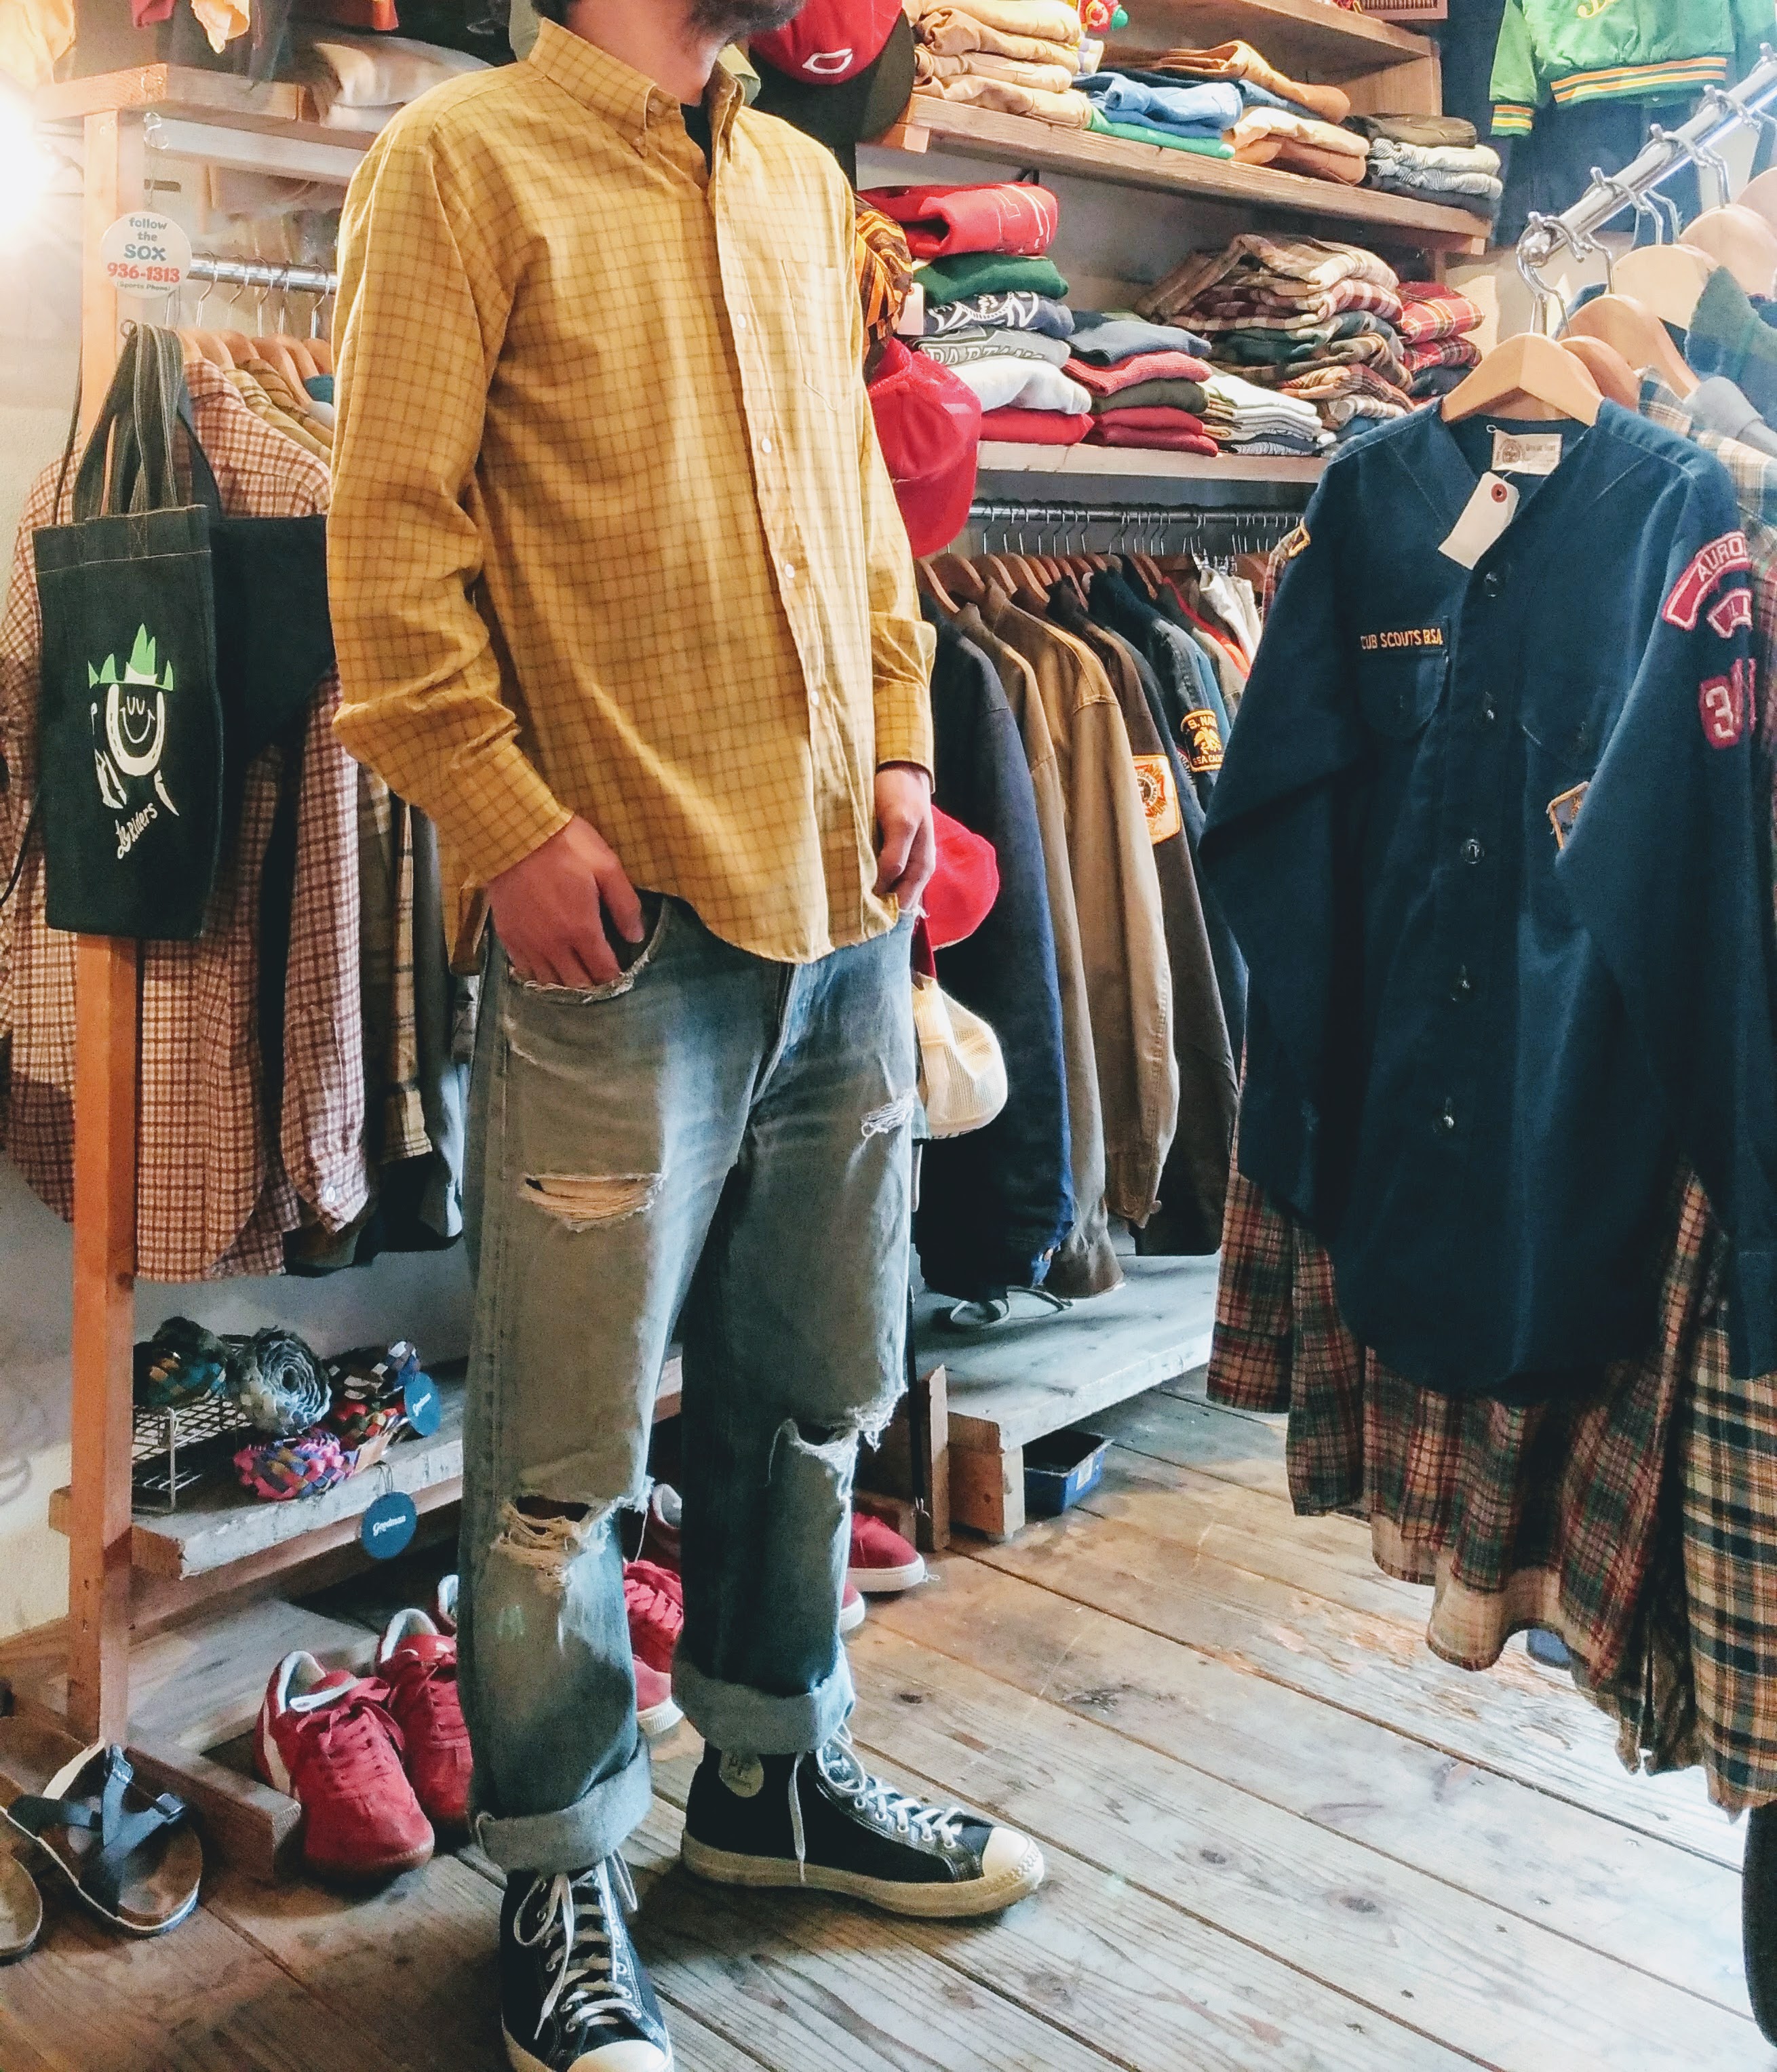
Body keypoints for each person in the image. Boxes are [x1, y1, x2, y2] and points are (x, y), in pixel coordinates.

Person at [326, 3, 1046, 2067]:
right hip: (612, 927)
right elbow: (385, 545)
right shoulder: (461, 167)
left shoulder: (804, 184)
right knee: (557, 1463)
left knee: (814, 1387)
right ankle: (557, 1867)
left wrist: (904, 739)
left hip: (839, 905)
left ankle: (770, 1774)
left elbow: (855, 511)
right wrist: (503, 816)